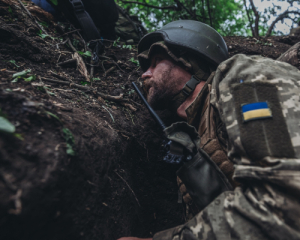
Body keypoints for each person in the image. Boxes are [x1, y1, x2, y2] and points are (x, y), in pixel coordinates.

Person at [119, 20, 300, 240]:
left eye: (156, 62)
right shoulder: (195, 134)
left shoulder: (243, 76)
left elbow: (285, 201)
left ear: (187, 61)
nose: (145, 74)